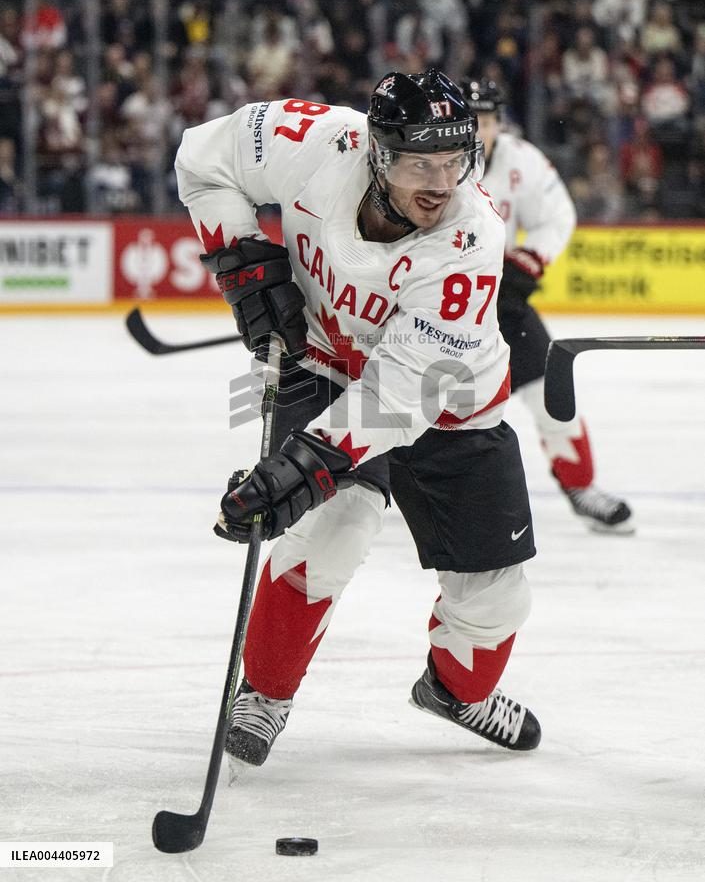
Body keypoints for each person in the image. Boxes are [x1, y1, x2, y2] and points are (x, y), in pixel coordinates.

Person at [175, 69, 541, 771]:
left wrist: (299, 469)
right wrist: (241, 262)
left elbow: (400, 396)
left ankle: (452, 692)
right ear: (375, 153)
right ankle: (265, 690)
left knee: (496, 598)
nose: (439, 182)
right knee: (330, 530)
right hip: (323, 367)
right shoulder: (311, 140)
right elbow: (201, 157)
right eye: (416, 162)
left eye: (453, 161)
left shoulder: (468, 239)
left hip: (451, 403)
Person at [462, 78, 633, 533]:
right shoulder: (434, 160)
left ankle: (581, 486)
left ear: (499, 122)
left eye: (487, 120)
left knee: (550, 391)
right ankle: (376, 485)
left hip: (500, 300)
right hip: (439, 302)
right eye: (472, 119)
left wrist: (525, 265)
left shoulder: (521, 160)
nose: (479, 130)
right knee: (423, 400)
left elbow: (558, 216)